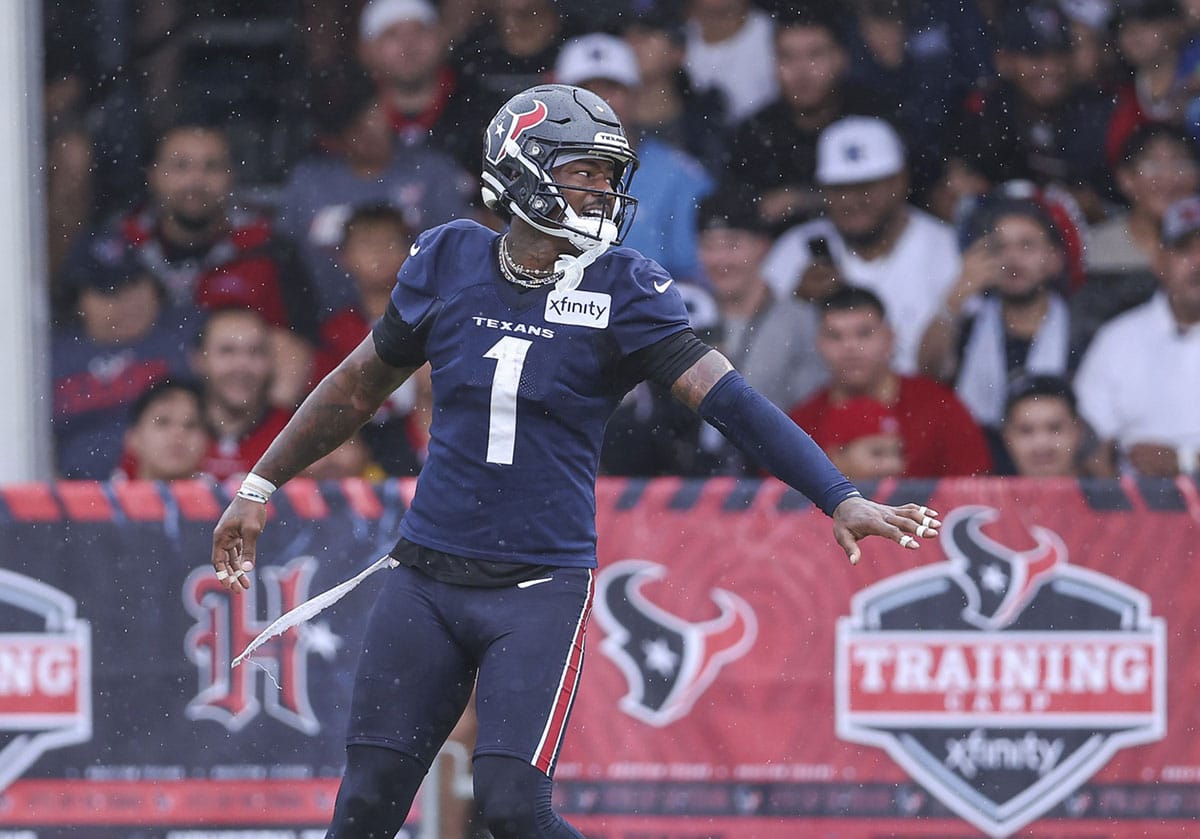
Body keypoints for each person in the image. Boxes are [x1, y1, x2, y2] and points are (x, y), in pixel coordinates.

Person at [210, 84, 940, 839]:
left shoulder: (624, 286)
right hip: (425, 574)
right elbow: (358, 384)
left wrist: (838, 494)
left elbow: (730, 401)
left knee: (509, 807)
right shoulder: (449, 256)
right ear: (519, 168)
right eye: (583, 171)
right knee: (365, 803)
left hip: (536, 586)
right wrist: (260, 483)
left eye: (605, 173)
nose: (601, 189)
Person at [58, 121, 322, 408]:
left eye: (211, 167)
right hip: (143, 401)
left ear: (231, 175)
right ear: (153, 175)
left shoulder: (270, 247)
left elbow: (300, 346)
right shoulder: (122, 244)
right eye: (180, 166)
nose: (195, 181)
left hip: (239, 405)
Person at [762, 115, 962, 374]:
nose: (851, 201)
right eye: (839, 189)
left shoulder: (946, 248)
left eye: (866, 187)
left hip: (917, 405)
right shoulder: (796, 248)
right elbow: (760, 355)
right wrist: (797, 306)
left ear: (899, 182)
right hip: (818, 410)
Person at [275, 61, 472, 318]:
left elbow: (457, 258)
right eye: (353, 126)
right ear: (331, 136)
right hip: (325, 332)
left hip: (424, 324)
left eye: (371, 115)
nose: (366, 132)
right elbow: (285, 267)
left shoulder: (432, 171)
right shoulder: (307, 182)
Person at [918, 196, 1077, 463]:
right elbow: (929, 372)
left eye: (1027, 245)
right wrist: (956, 296)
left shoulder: (1081, 327)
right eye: (999, 247)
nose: (1013, 258)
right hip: (981, 466)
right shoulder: (969, 322)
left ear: (1054, 259)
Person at [553, 32, 714, 284]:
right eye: (585, 91)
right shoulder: (541, 169)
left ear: (636, 95)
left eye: (612, 89)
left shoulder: (680, 174)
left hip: (646, 314)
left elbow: (695, 277)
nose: (599, 102)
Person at [791, 287, 993, 479]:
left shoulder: (940, 407)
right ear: (818, 343)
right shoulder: (800, 426)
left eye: (864, 333)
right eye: (835, 336)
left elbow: (974, 493)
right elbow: (776, 505)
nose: (849, 347)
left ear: (889, 338)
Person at [1074, 194, 1200, 477]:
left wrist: (1185, 462)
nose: (1198, 262)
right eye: (1184, 249)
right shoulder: (1117, 340)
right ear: (1159, 262)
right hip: (1137, 510)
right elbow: (1089, 442)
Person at [52, 234, 196, 479]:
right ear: (80, 301)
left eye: (134, 283)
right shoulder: (47, 357)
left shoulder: (188, 331)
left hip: (175, 493)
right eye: (109, 291)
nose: (127, 301)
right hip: (78, 501)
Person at [356, 0, 499, 173]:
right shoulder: (352, 126)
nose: (408, 45)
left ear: (441, 37)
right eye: (392, 34)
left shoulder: (482, 113)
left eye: (419, 30)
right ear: (367, 50)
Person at [190, 307, 294, 482]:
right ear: (199, 360)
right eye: (227, 351)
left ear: (271, 361)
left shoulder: (294, 432)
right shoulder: (169, 428)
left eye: (255, 351)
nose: (241, 365)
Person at [116, 377, 212, 481]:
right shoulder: (107, 496)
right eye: (163, 422)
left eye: (190, 425)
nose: (178, 433)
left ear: (206, 441)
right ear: (133, 437)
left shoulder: (225, 496)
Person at [1000, 375, 1085, 478]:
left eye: (1055, 428)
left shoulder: (1106, 493)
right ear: (1007, 437)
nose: (1042, 444)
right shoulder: (986, 494)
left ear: (1078, 431)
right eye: (1026, 430)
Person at [809, 396, 906, 482]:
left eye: (898, 453)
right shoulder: (802, 501)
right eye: (877, 453)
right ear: (836, 456)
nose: (893, 465)